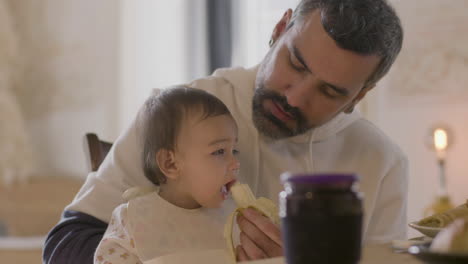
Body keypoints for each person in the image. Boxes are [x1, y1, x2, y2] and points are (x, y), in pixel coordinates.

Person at [43, 0, 407, 263]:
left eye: (329, 91)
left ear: (359, 96)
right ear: (279, 30)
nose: (295, 97)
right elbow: (65, 244)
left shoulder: (382, 161)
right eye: (295, 63)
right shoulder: (179, 113)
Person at [94, 86, 240, 263]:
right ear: (170, 163)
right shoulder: (133, 219)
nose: (235, 163)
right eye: (219, 152)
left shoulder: (238, 218)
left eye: (235, 151)